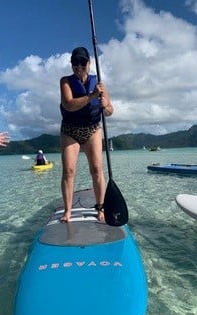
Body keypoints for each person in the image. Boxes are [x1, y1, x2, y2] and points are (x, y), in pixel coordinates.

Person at [59, 47, 114, 222]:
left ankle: (101, 207)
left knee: (97, 169)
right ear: (72, 64)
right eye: (75, 62)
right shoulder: (65, 81)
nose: (79, 66)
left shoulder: (99, 84)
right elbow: (68, 105)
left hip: (92, 129)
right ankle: (67, 212)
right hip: (70, 130)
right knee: (68, 171)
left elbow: (110, 111)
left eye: (83, 62)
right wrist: (92, 96)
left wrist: (105, 105)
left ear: (89, 64)